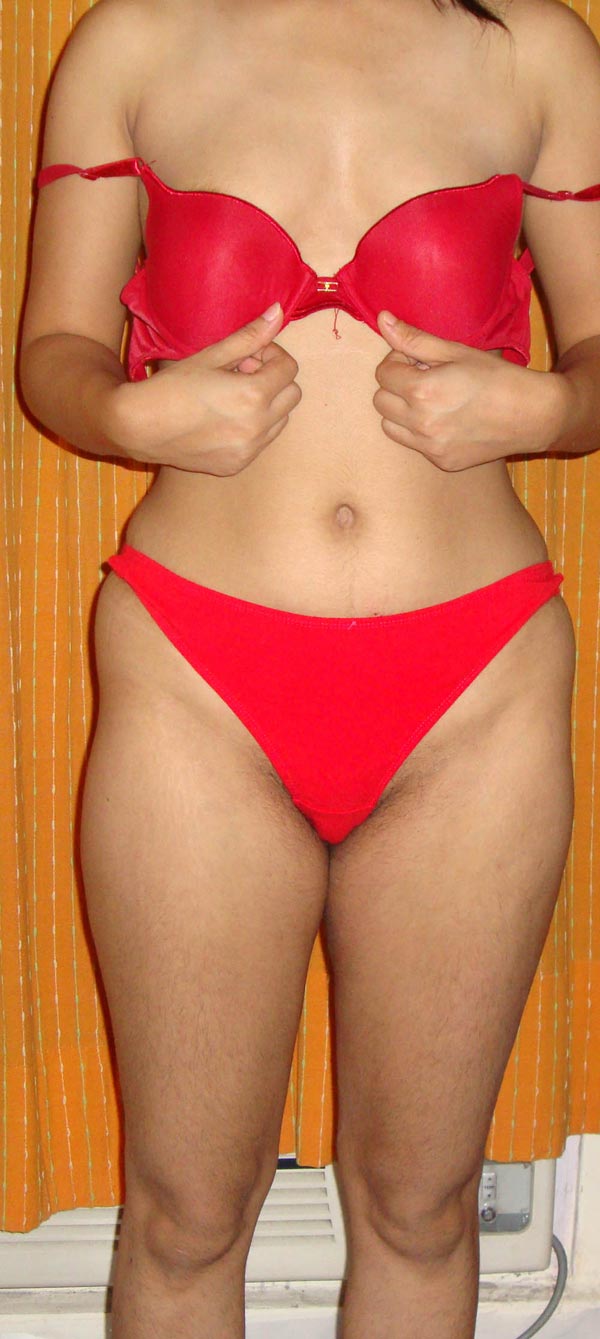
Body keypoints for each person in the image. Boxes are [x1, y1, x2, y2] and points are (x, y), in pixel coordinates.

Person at [18, 0, 600, 1334]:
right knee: (182, 1218)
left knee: (422, 1209)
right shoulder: (134, 43)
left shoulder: (537, 52)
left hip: (476, 687)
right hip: (197, 679)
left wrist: (556, 406)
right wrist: (127, 413)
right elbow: (50, 356)